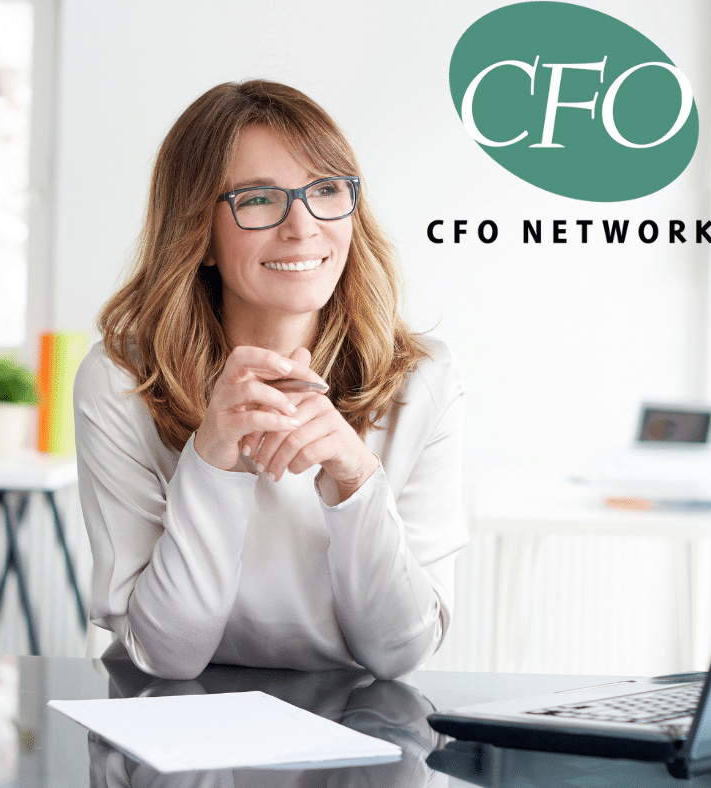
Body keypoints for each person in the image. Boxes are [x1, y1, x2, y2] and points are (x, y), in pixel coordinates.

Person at [74, 80, 467, 681]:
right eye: (258, 199)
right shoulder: (119, 382)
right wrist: (208, 464)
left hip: (357, 727)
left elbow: (400, 652)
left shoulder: (422, 380)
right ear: (198, 233)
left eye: (327, 191)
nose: (303, 227)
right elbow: (167, 655)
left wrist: (356, 477)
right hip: (167, 723)